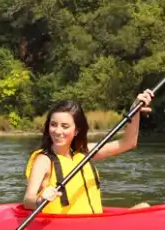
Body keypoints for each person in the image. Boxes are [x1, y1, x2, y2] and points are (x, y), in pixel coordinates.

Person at [23, 90, 155, 214]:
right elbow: (28, 200)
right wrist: (41, 200)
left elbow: (128, 143)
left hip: (94, 225)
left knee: (144, 208)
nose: (57, 131)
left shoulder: (84, 152)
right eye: (53, 124)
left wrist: (134, 111)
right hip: (67, 229)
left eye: (65, 126)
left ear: (76, 131)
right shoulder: (44, 160)